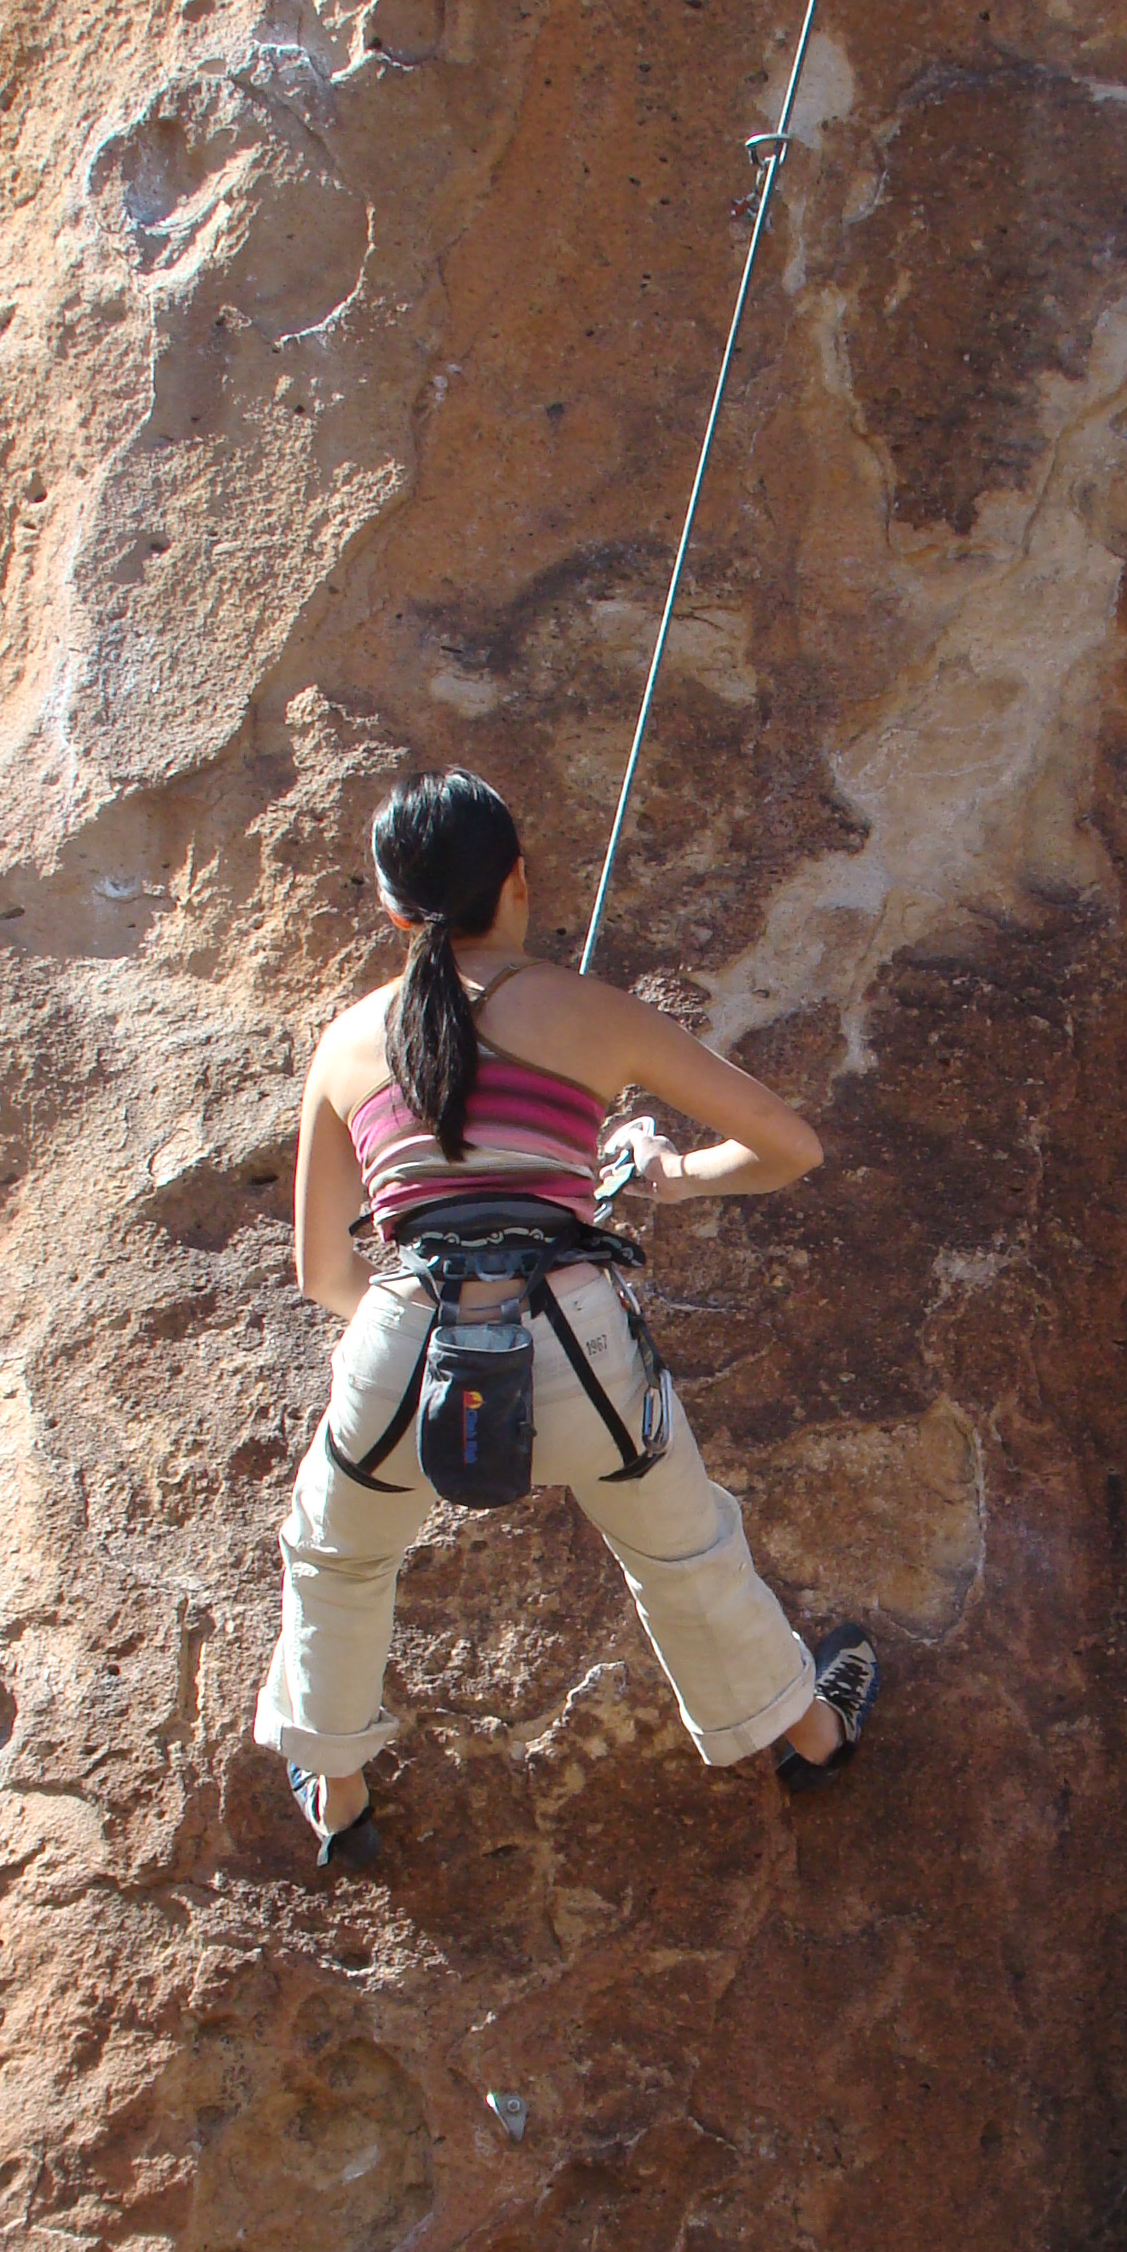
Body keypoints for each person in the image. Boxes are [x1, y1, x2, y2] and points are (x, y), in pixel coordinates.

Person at [253, 767, 878, 1868]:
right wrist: (673, 1174)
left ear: (396, 911)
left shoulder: (349, 1044)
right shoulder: (591, 1014)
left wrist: (408, 1341)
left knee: (335, 1558)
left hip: (403, 1336)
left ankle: (338, 1791)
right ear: (520, 883)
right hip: (578, 1342)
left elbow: (319, 1268)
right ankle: (807, 1734)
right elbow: (792, 1147)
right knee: (685, 1552)